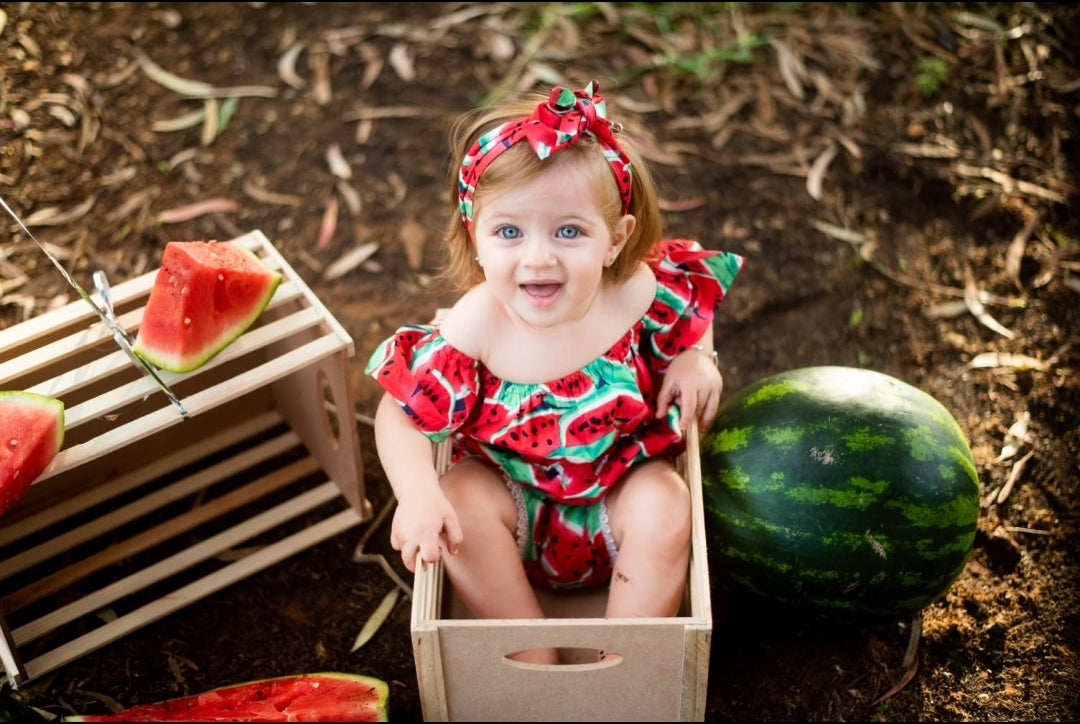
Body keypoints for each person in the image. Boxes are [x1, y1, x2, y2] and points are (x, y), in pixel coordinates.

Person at [365, 79, 743, 663]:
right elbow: (400, 412)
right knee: (457, 497)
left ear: (615, 241)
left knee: (667, 502)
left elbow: (691, 295)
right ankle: (528, 648)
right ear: (477, 237)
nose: (538, 257)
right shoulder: (477, 326)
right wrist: (415, 493)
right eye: (509, 232)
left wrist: (695, 354)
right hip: (513, 503)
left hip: (619, 486)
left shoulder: (635, 290)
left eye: (569, 231)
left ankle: (618, 661)